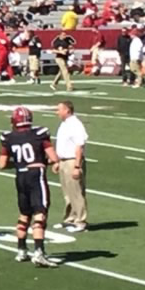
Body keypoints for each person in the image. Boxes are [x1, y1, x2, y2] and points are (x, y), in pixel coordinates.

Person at [0, 106, 59, 267]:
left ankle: (21, 250)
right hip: (36, 174)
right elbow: (53, 157)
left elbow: (2, 164)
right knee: (40, 212)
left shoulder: (9, 137)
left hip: (20, 175)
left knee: (24, 213)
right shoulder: (39, 134)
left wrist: (20, 163)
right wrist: (50, 162)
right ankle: (39, 252)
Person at [55, 100, 90, 233]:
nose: (57, 112)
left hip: (72, 161)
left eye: (59, 109)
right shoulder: (64, 124)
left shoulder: (75, 124)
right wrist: (58, 161)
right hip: (64, 161)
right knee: (67, 193)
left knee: (76, 192)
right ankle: (70, 218)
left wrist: (77, 165)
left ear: (67, 110)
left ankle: (81, 221)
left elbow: (79, 145)